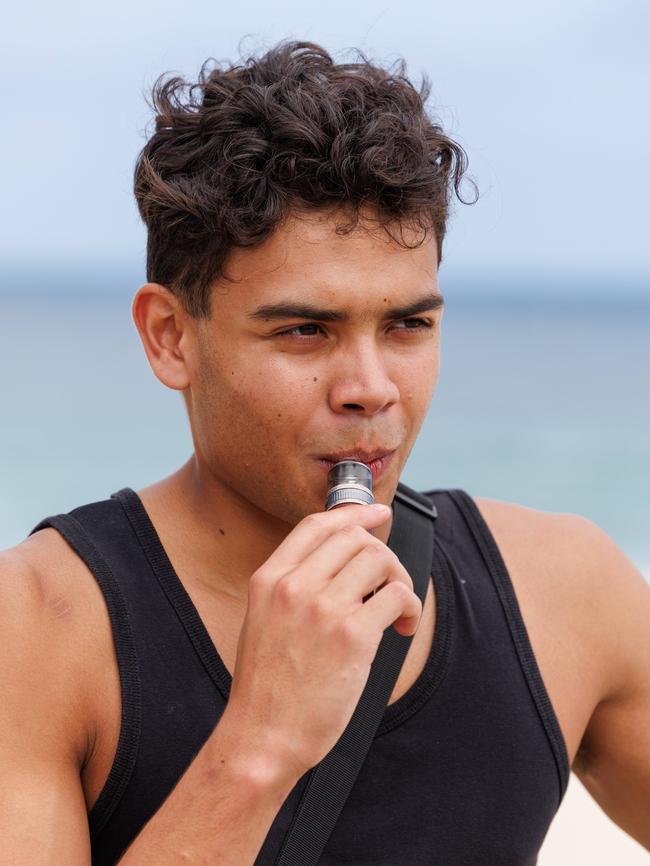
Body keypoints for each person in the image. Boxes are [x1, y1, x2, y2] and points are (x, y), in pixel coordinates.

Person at [2, 39, 649, 866]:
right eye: (306, 330)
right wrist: (261, 745)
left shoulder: (568, 594)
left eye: (408, 325)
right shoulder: (37, 629)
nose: (371, 388)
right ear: (171, 338)